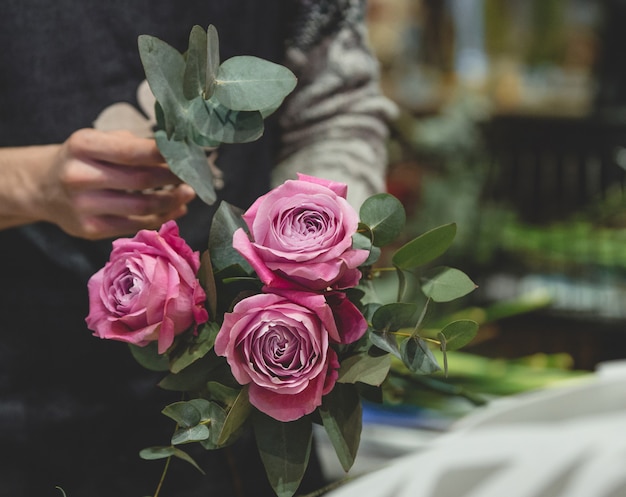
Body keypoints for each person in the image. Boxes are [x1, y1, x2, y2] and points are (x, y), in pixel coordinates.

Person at [0, 1, 396, 496]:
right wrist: (25, 187)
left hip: (234, 420)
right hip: (21, 405)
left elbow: (334, 110)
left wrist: (306, 248)